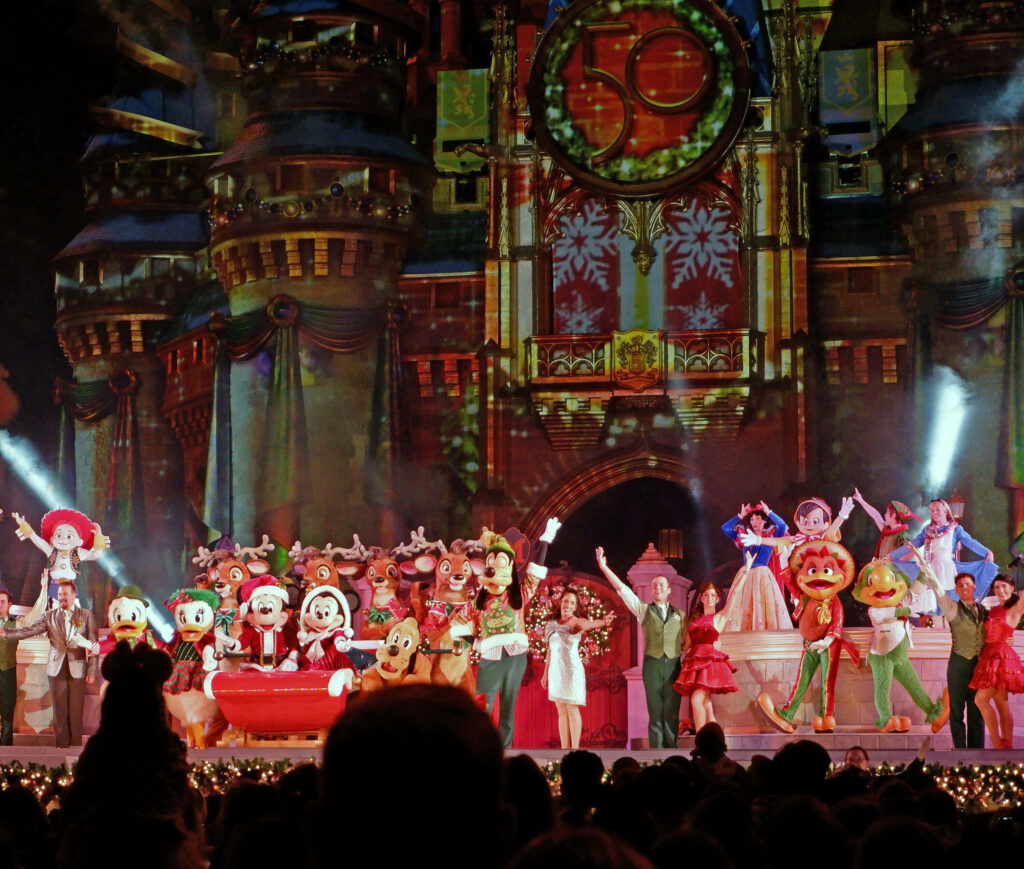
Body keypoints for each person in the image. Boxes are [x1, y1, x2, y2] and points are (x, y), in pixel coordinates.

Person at [596, 545, 683, 748]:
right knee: (655, 710)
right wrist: (603, 567)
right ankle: (656, 753)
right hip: (652, 665)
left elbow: (690, 638)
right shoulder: (644, 610)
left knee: (671, 711)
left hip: (673, 665)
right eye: (654, 585)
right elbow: (623, 590)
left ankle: (672, 752)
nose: (658, 588)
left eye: (661, 585)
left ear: (669, 590)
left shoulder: (680, 615)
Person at [0, 580, 98, 747]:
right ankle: (60, 749)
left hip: (78, 669)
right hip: (56, 669)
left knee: (75, 714)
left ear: (74, 595)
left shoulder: (85, 615)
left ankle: (75, 753)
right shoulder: (50, 616)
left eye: (65, 594)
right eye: (59, 594)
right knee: (59, 714)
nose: (62, 597)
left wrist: (91, 671)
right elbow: (29, 630)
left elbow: (93, 643)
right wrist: (7, 633)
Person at [919, 564, 987, 747]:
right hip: (958, 666)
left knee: (977, 711)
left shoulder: (984, 611)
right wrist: (923, 563)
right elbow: (936, 585)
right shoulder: (951, 608)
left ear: (974, 587)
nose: (964, 587)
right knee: (956, 712)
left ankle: (977, 754)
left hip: (979, 668)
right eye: (960, 585)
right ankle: (961, 753)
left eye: (967, 584)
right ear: (956, 590)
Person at [541, 586, 615, 749]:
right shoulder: (551, 624)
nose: (568, 605)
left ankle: (574, 749)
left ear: (575, 607)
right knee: (561, 710)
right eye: (566, 600)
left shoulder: (576, 622)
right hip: (555, 672)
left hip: (571, 671)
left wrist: (602, 621)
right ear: (560, 602)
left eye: (572, 603)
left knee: (572, 708)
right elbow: (549, 650)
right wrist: (545, 674)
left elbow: (589, 624)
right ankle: (564, 749)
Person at [891, 499, 996, 611]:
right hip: (930, 568)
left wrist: (987, 552)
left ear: (945, 510)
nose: (934, 513)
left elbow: (971, 542)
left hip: (947, 569)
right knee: (931, 603)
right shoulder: (927, 531)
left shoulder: (955, 529)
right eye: (932, 510)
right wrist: (892, 555)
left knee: (950, 604)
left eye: (937, 510)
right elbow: (912, 544)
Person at [673, 577, 738, 730]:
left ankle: (700, 739)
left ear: (717, 599)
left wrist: (746, 571)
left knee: (696, 701)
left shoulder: (720, 616)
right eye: (706, 595)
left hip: (709, 663)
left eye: (713, 595)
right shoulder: (695, 620)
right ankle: (715, 738)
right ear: (701, 597)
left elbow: (734, 595)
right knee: (706, 703)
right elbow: (686, 644)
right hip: (694, 661)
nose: (709, 598)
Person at [969, 574, 1024, 749]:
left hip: (1002, 658)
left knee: (980, 700)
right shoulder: (992, 610)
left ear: (1012, 588)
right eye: (997, 587)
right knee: (1001, 702)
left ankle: (998, 744)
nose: (1000, 590)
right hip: (988, 656)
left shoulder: (1016, 608)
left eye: (1004, 586)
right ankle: (1007, 745)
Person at [719, 500, 792, 630]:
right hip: (745, 573)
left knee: (763, 605)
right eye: (752, 519)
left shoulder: (770, 536)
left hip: (763, 574)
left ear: (764, 521)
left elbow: (782, 525)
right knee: (743, 605)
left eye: (757, 518)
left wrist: (769, 512)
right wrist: (740, 516)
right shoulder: (745, 535)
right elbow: (725, 528)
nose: (754, 521)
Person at [852, 488, 920, 559]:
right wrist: (860, 500)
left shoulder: (903, 536)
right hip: (882, 567)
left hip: (891, 569)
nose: (884, 515)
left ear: (893, 515)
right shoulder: (887, 531)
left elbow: (914, 551)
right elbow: (875, 515)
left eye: (887, 512)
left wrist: (897, 563)